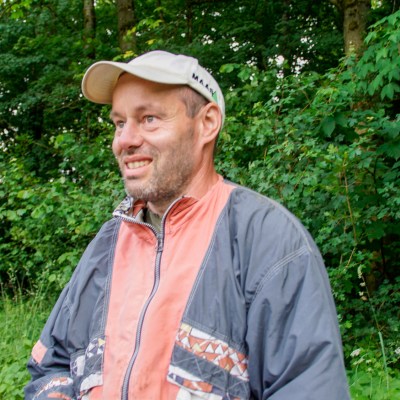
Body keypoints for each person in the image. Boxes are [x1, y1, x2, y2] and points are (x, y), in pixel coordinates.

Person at [24, 50, 350, 400]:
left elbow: (308, 388)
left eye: (148, 118)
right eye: (119, 123)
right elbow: (51, 365)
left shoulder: (268, 239)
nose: (125, 140)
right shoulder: (109, 243)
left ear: (207, 123)